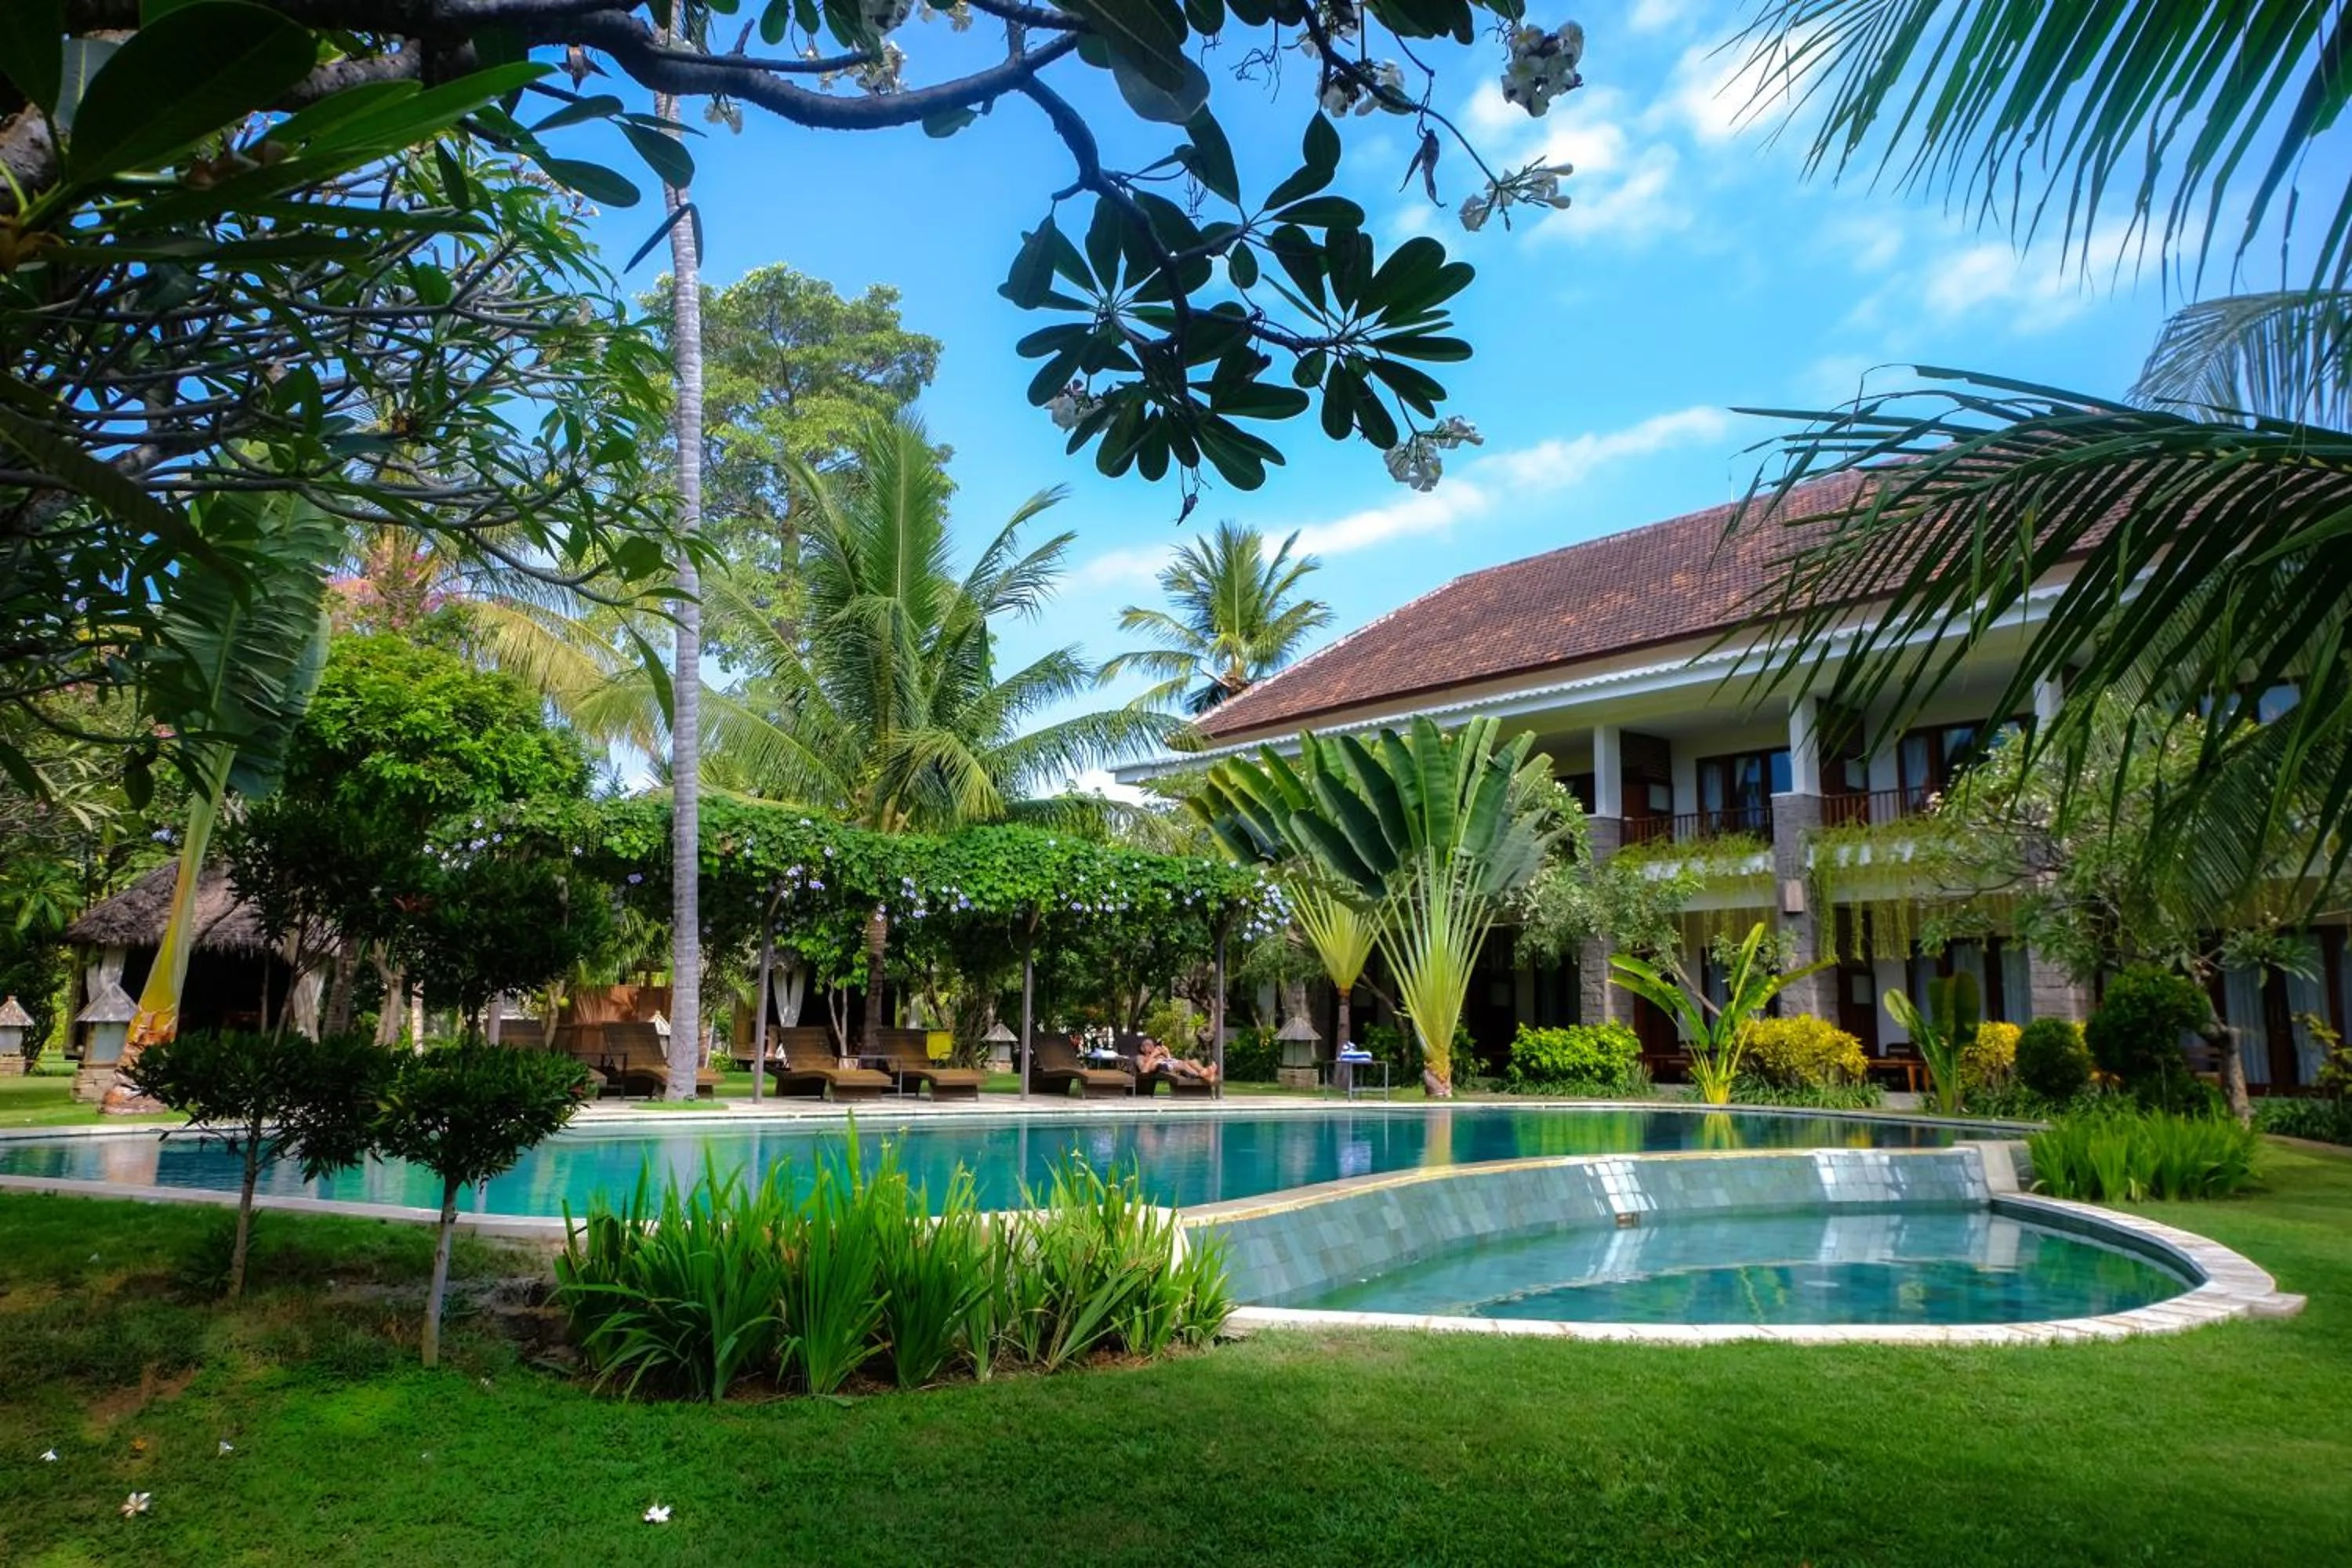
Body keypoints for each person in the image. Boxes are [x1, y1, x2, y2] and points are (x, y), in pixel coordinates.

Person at [1135, 1036, 1218, 1084]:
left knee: (1194, 1061)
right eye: (1147, 1045)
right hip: (1160, 1067)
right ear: (1142, 1048)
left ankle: (1205, 1072)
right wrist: (1153, 1056)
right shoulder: (1140, 1057)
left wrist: (1167, 1054)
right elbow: (1144, 1072)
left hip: (1170, 1064)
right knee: (1182, 1065)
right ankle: (1204, 1074)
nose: (1151, 1046)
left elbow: (1170, 1061)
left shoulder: (1159, 1055)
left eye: (1152, 1044)